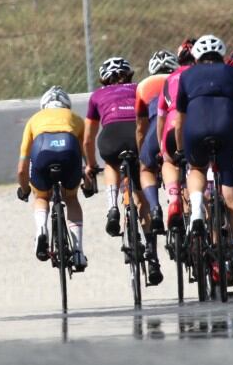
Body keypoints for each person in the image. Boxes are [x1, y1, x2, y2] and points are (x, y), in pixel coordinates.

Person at [174, 34, 233, 281]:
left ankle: (197, 207)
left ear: (196, 57)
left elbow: (179, 121)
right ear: (222, 55)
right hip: (227, 131)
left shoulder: (186, 75)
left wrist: (179, 150)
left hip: (195, 131)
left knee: (197, 168)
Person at [17, 86, 89, 271]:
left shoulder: (34, 120)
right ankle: (78, 251)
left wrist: (25, 189)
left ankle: (42, 229)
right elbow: (86, 158)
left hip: (42, 152)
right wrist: (89, 184)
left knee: (41, 197)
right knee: (71, 198)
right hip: (69, 151)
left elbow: (21, 168)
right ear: (67, 106)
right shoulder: (76, 119)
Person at [84, 57, 143, 239]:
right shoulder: (139, 88)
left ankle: (112, 207)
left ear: (104, 79)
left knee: (111, 163)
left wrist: (91, 165)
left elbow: (88, 139)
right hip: (136, 134)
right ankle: (150, 247)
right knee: (143, 180)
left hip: (111, 136)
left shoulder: (96, 95)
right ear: (129, 76)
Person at [134, 49, 179, 285]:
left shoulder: (143, 85)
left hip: (155, 128)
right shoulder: (179, 77)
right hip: (180, 128)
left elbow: (141, 126)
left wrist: (144, 152)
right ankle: (178, 203)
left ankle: (155, 208)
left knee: (147, 169)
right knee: (186, 168)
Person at [156, 39, 197, 228]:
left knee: (169, 161)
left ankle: (173, 199)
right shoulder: (201, 74)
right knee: (199, 167)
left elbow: (161, 118)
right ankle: (201, 205)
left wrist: (161, 148)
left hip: (171, 127)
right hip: (196, 124)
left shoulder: (169, 79)